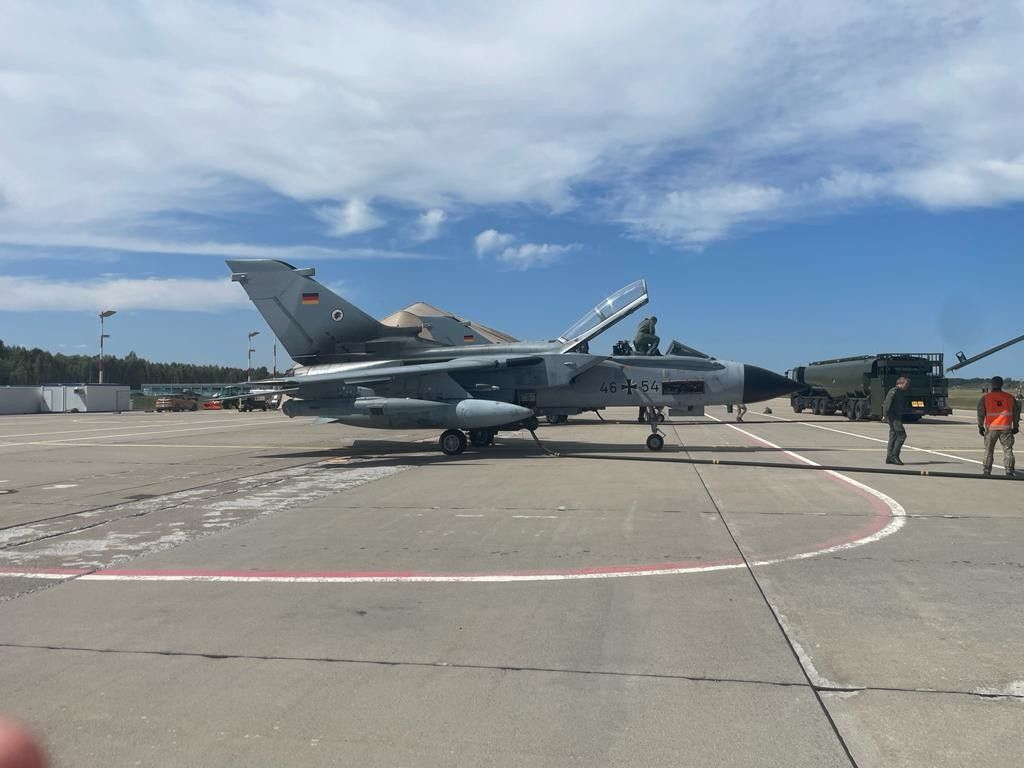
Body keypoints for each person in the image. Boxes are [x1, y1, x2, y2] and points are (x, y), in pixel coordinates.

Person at [977, 376, 1020, 478]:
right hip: (1006, 428)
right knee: (1008, 450)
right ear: (1002, 384)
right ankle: (1009, 471)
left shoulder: (985, 398)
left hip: (991, 429)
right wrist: (1016, 426)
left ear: (991, 385)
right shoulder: (1010, 398)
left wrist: (980, 426)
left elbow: (980, 413)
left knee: (988, 450)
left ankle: (987, 470)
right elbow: (1016, 414)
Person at [882, 376, 910, 465]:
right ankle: (894, 456)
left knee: (893, 436)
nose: (907, 386)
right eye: (906, 384)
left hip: (896, 416)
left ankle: (889, 457)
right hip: (893, 417)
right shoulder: (893, 391)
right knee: (902, 435)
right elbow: (887, 404)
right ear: (900, 384)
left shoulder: (900, 392)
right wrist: (885, 415)